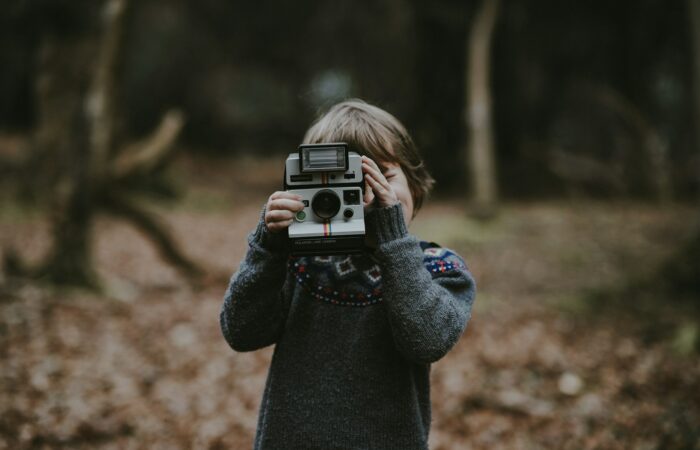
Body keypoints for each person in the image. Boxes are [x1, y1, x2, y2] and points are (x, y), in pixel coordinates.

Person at [220, 99, 476, 450]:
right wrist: (268, 246)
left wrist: (392, 238)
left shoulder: (437, 266)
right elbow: (241, 331)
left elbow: (426, 341)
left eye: (380, 177)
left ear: (414, 183)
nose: (367, 196)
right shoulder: (298, 261)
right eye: (345, 182)